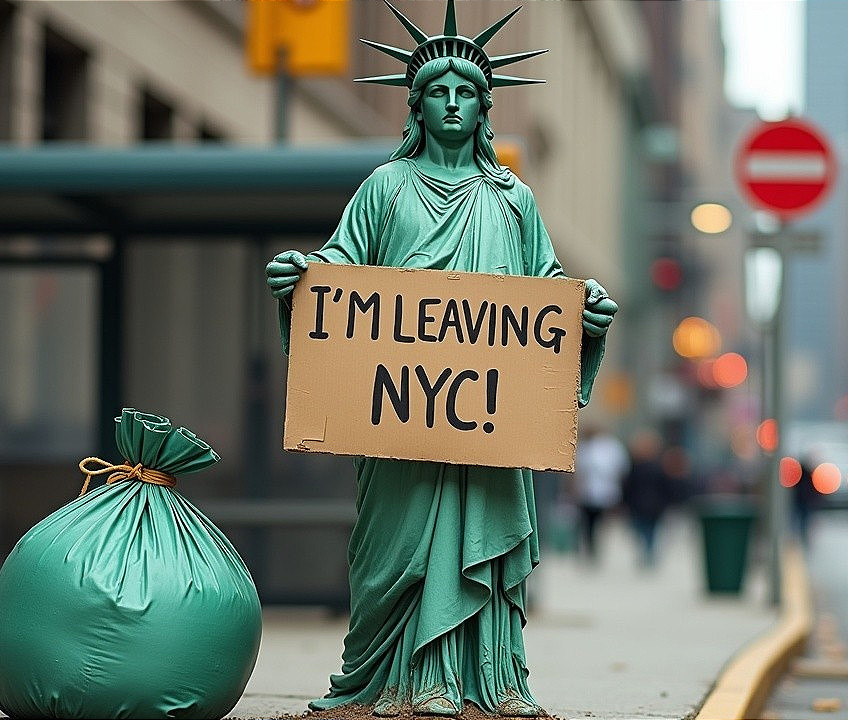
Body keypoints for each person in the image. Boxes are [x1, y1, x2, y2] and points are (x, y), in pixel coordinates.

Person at [264, 3, 617, 715]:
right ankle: (390, 677)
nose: (451, 104)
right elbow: (337, 276)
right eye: (437, 92)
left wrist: (587, 315)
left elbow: (544, 288)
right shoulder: (383, 189)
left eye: (465, 94)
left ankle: (490, 678)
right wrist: (299, 280)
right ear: (415, 107)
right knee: (391, 552)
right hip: (397, 423)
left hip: (487, 424)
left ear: (484, 110)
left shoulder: (514, 200)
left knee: (480, 529)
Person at [572, 425, 628, 562]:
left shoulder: (610, 447)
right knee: (590, 523)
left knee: (597, 523)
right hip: (590, 493)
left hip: (603, 493)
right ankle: (592, 547)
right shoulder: (586, 448)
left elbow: (620, 468)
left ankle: (594, 546)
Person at [622, 431, 671, 567]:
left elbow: (628, 487)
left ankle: (647, 551)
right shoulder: (658, 467)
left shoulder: (636, 467)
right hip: (654, 505)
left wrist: (624, 502)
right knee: (650, 530)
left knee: (642, 529)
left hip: (639, 504)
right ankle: (649, 551)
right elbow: (666, 487)